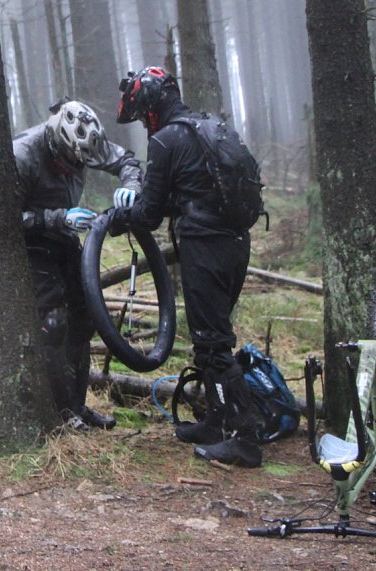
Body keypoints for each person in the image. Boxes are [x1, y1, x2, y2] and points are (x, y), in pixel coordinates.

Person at [112, 67, 262, 467]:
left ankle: (243, 437)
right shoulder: (209, 127)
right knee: (208, 339)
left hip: (205, 246)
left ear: (150, 107)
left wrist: (121, 216)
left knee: (213, 342)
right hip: (235, 244)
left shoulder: (166, 141)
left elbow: (149, 213)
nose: (143, 123)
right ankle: (216, 421)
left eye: (142, 116)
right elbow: (190, 194)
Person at [14, 97, 142, 430]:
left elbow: (125, 159)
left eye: (81, 159)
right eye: (72, 158)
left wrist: (131, 185)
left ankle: (77, 406)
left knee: (85, 319)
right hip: (31, 242)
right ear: (58, 141)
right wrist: (58, 218)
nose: (77, 164)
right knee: (54, 322)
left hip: (64, 239)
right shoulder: (24, 155)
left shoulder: (86, 142)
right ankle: (60, 412)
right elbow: (4, 217)